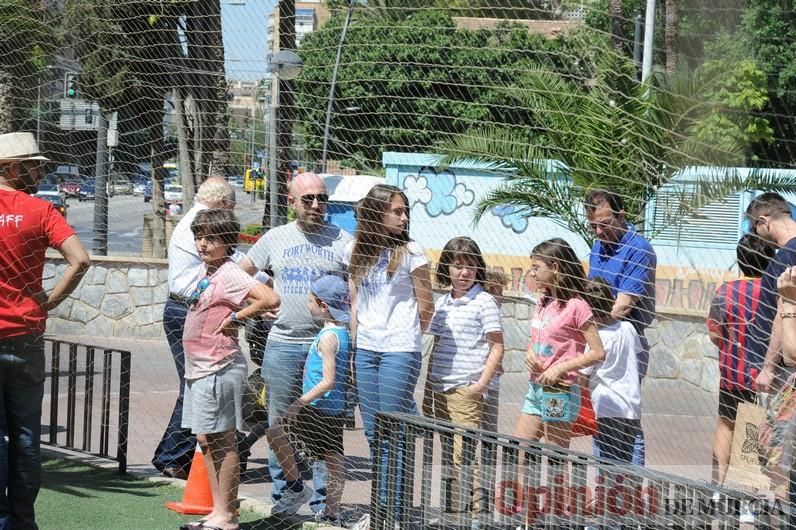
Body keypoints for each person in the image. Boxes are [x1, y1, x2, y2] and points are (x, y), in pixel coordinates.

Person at [239, 172, 351, 513]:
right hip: (284, 344)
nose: (317, 205)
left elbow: (360, 283)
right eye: (309, 199)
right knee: (279, 423)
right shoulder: (275, 238)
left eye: (322, 199)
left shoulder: (343, 240)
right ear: (291, 202)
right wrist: (255, 306)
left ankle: (321, 506)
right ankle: (286, 494)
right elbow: (239, 273)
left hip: (325, 346)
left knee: (321, 427)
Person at [0, 132, 90, 529]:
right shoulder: (41, 210)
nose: (40, 171)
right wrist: (47, 301)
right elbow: (80, 260)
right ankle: (22, 522)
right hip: (27, 335)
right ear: (12, 168)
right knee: (25, 435)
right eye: (34, 165)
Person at [180, 208, 279, 530]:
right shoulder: (207, 271)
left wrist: (237, 318)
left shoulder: (229, 272)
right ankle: (217, 510)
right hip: (200, 368)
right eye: (199, 237)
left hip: (219, 366)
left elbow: (269, 298)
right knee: (207, 439)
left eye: (211, 238)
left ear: (227, 242)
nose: (203, 244)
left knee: (222, 440)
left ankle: (228, 516)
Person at [345, 183, 434, 523]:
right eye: (397, 210)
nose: (403, 216)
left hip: (400, 349)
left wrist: (405, 336)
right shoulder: (357, 250)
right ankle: (380, 510)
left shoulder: (412, 251)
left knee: (392, 431)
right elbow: (356, 302)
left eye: (405, 210)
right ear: (376, 213)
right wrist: (355, 346)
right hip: (366, 349)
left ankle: (393, 514)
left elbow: (427, 306)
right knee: (371, 432)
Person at [152, 177, 237, 479]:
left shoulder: (193, 219)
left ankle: (176, 454)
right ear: (223, 203)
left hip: (184, 309)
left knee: (197, 386)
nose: (234, 212)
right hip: (186, 310)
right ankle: (172, 456)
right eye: (233, 205)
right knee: (195, 387)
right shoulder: (202, 223)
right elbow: (229, 260)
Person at [422, 237, 504, 516]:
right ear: (447, 268)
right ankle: (453, 509)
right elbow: (436, 347)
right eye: (457, 266)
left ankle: (478, 513)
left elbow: (497, 346)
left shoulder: (484, 301)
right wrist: (426, 391)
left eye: (470, 266)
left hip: (465, 389)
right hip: (439, 388)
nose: (464, 273)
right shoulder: (442, 303)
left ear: (478, 269)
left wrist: (480, 385)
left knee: (464, 454)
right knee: (448, 452)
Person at [265, 274, 351, 525]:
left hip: (317, 409)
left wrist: (298, 403)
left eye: (311, 300)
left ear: (324, 306)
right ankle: (332, 513)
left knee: (275, 432)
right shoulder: (341, 333)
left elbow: (328, 381)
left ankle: (295, 486)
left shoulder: (327, 338)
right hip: (334, 410)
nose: (307, 304)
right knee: (334, 461)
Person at [585, 189, 656, 466]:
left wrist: (588, 325)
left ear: (621, 215)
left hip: (627, 341)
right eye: (594, 226)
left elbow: (623, 306)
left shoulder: (638, 248)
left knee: (626, 420)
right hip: (600, 339)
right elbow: (593, 296)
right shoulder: (597, 247)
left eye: (606, 223)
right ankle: (607, 489)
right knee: (601, 416)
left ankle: (631, 492)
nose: (600, 231)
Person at [514, 238, 605, 450]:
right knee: (517, 451)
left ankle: (555, 485)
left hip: (558, 391)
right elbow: (536, 339)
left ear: (555, 268)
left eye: (536, 268)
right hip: (536, 387)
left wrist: (560, 368)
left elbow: (598, 352)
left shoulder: (577, 306)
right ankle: (525, 485)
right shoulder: (543, 301)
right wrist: (530, 354)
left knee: (555, 455)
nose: (532, 273)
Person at [707, 234, 774, 485]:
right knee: (751, 430)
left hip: (731, 372)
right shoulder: (772, 291)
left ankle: (717, 488)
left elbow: (714, 332)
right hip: (761, 377)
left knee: (725, 425)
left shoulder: (726, 291)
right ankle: (747, 500)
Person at [580, 278, 642, 464]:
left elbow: (583, 376)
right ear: (612, 300)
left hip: (606, 408)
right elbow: (636, 353)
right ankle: (629, 492)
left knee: (607, 464)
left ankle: (609, 493)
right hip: (631, 405)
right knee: (626, 461)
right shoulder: (628, 328)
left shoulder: (596, 340)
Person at [744, 193, 796, 395]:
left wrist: (768, 368)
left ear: (763, 221)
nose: (755, 235)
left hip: (783, 370)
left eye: (753, 228)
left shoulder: (785, 257)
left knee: (773, 427)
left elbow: (781, 311)